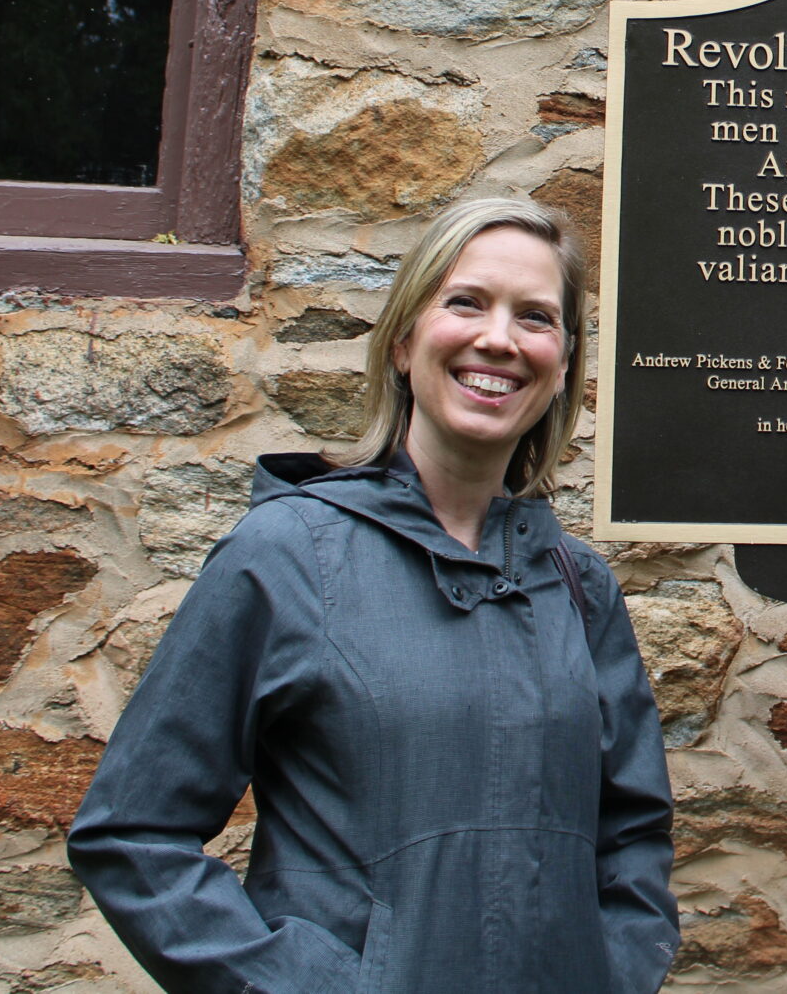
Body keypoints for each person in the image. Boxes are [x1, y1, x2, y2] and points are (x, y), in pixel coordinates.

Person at [70, 197, 679, 994]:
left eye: (535, 316)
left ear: (563, 362)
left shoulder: (579, 586)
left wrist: (608, 973)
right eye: (466, 302)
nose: (499, 338)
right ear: (403, 340)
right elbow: (133, 832)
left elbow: (632, 833)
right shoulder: (287, 554)